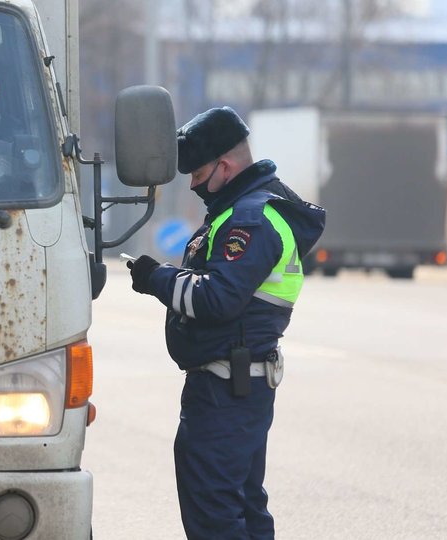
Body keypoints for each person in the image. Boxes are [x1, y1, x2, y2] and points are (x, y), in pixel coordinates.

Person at [127, 106, 325, 539]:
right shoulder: (246, 212)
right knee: (243, 508)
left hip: (225, 394)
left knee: (214, 513)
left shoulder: (248, 221)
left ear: (226, 165)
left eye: (198, 175)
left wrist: (155, 278)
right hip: (234, 388)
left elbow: (216, 298)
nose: (195, 186)